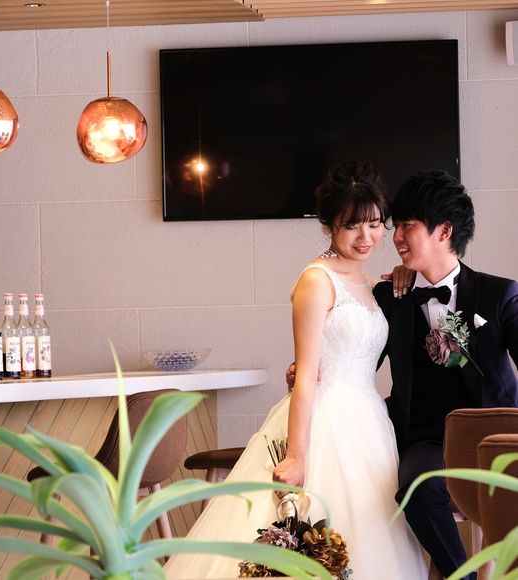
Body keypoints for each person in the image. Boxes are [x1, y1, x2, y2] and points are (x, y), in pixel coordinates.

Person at [164, 161, 427, 579]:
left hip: (369, 425)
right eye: (352, 226)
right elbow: (305, 375)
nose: (366, 237)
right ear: (329, 226)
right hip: (324, 422)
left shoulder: (370, 284)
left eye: (375, 224)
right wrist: (297, 456)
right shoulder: (316, 280)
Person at [372, 170, 518, 580]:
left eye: (408, 225)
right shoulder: (391, 298)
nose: (397, 236)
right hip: (427, 440)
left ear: (444, 230)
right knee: (417, 489)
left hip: (494, 439)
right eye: (396, 226)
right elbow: (361, 361)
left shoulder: (499, 293)